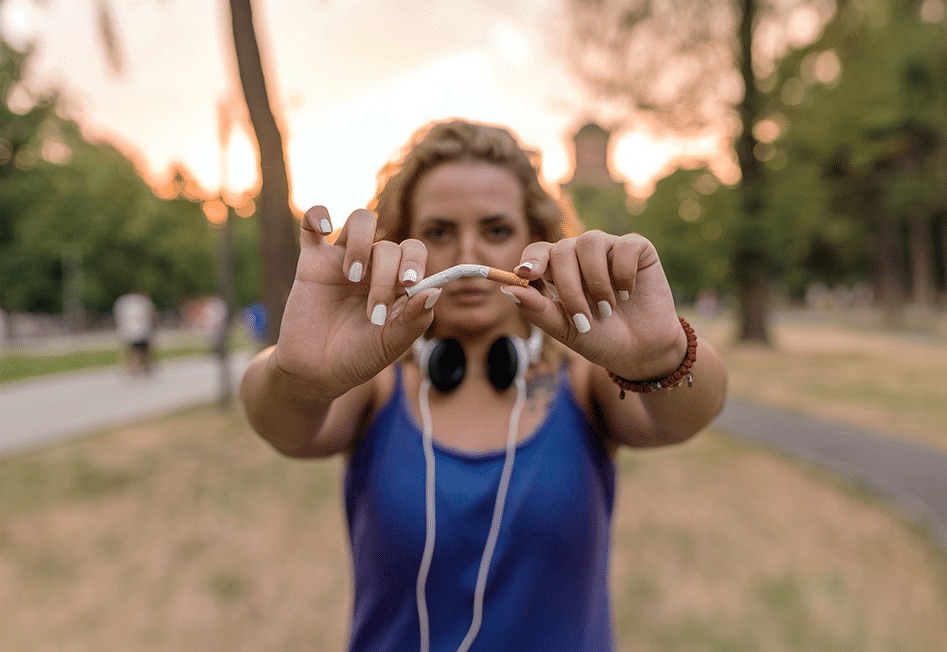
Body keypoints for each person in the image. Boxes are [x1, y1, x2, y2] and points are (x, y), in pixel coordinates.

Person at [240, 118, 728, 651]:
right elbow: (282, 425)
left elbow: (690, 413)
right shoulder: (374, 385)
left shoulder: (584, 380)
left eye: (496, 230)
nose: (466, 255)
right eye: (438, 231)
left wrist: (662, 359)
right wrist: (298, 376)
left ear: (535, 240)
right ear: (403, 242)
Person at [113, 289, 157, 375]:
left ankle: (133, 367)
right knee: (142, 350)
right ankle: (139, 366)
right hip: (142, 330)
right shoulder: (143, 302)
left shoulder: (124, 302)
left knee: (132, 350)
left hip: (128, 330)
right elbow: (150, 315)